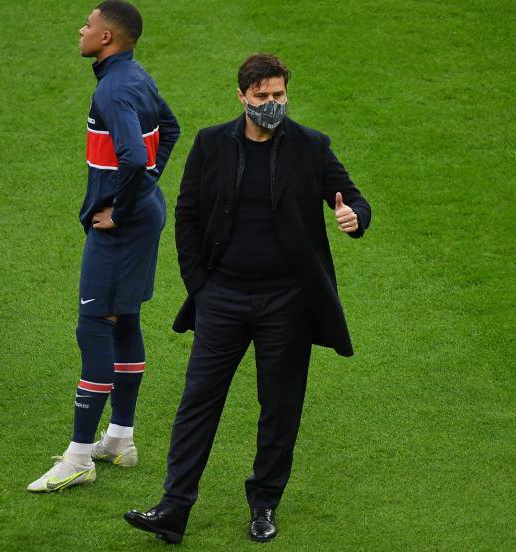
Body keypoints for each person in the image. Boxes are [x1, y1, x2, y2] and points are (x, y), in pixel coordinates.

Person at [124, 53, 371, 544]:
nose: (272, 103)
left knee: (279, 407)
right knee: (198, 402)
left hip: (288, 303)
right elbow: (188, 214)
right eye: (262, 96)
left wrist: (355, 218)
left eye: (279, 94)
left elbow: (353, 199)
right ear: (242, 97)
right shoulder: (211, 143)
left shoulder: (312, 146)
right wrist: (201, 287)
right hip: (223, 298)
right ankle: (174, 507)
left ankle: (264, 505)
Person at [27, 0, 180, 493]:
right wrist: (146, 191)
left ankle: (78, 457)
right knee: (125, 318)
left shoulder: (113, 89)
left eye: (89, 24)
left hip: (122, 229)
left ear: (107, 37)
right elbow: (171, 128)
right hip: (145, 216)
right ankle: (119, 439)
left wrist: (121, 209)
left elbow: (133, 156)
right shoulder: (135, 74)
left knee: (95, 325)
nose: (81, 30)